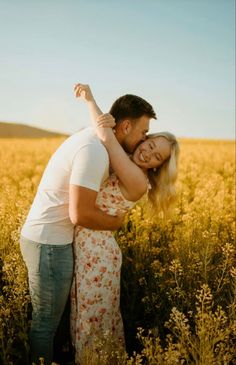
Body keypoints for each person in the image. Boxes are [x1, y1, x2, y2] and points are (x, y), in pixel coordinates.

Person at [20, 88, 157, 364]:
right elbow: (80, 214)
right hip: (49, 244)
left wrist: (91, 101)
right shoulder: (95, 152)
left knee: (56, 328)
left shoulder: (99, 140)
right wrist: (116, 224)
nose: (145, 139)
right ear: (126, 126)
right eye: (143, 132)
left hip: (53, 240)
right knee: (46, 326)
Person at [71, 84, 179, 364]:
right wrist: (108, 119)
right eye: (150, 144)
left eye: (157, 157)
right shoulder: (128, 162)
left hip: (97, 253)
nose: (148, 154)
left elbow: (107, 138)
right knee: (90, 319)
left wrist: (91, 101)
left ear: (157, 167)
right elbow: (112, 136)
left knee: (92, 324)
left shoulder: (136, 180)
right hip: (92, 247)